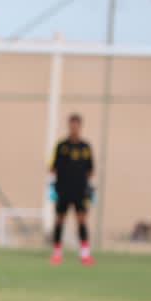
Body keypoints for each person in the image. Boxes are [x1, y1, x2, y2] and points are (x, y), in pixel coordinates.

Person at [49, 113, 95, 266]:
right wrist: (56, 185)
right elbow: (52, 168)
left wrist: (86, 188)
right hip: (63, 190)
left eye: (76, 126)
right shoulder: (61, 146)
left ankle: (85, 255)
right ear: (69, 126)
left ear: (80, 127)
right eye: (72, 125)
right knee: (59, 220)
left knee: (81, 220)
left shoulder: (85, 147)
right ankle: (57, 254)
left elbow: (91, 170)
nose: (74, 128)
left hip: (80, 191)